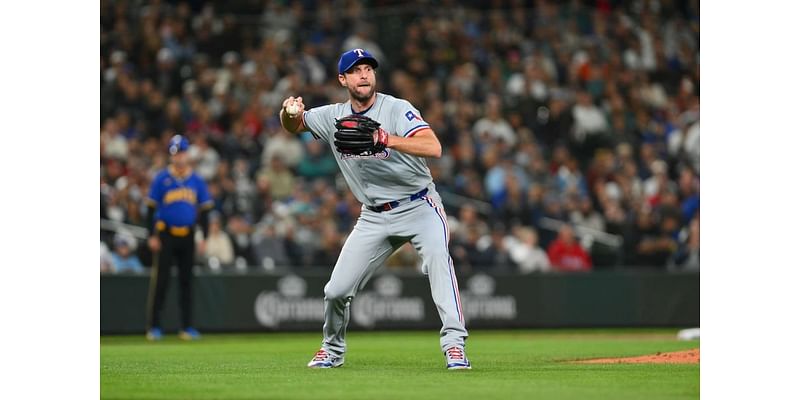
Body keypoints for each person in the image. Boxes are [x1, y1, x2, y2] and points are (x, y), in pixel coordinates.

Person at [279, 49, 470, 370]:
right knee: (336, 290)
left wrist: (386, 138)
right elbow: (293, 125)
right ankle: (332, 349)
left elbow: (432, 146)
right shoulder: (332, 116)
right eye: (355, 71)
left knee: (439, 262)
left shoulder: (396, 108)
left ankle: (454, 345)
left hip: (419, 204)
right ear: (343, 79)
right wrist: (288, 111)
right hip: (374, 215)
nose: (364, 74)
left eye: (368, 68)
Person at [144, 134, 213, 341]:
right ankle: (154, 326)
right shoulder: (161, 179)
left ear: (187, 154)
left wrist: (204, 237)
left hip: (188, 235)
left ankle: (187, 327)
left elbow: (206, 211)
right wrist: (151, 235)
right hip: (166, 234)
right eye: (175, 154)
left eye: (181, 153)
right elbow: (150, 210)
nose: (178, 158)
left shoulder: (196, 180)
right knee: (161, 282)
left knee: (187, 282)